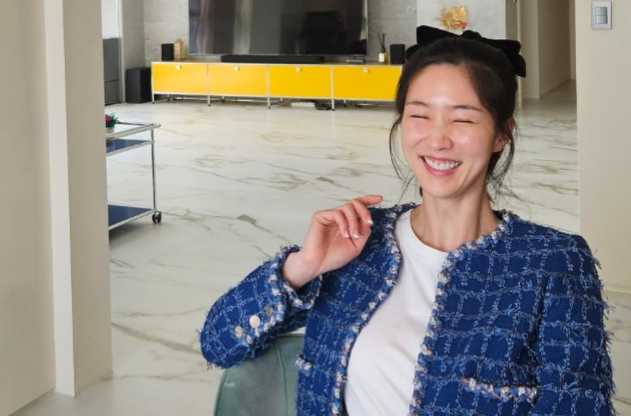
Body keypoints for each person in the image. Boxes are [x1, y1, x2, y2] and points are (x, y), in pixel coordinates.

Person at [200, 26, 615, 416]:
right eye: (419, 116)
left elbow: (578, 403)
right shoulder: (359, 238)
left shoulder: (552, 262)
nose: (437, 139)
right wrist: (303, 267)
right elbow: (219, 343)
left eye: (463, 119)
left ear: (501, 134)